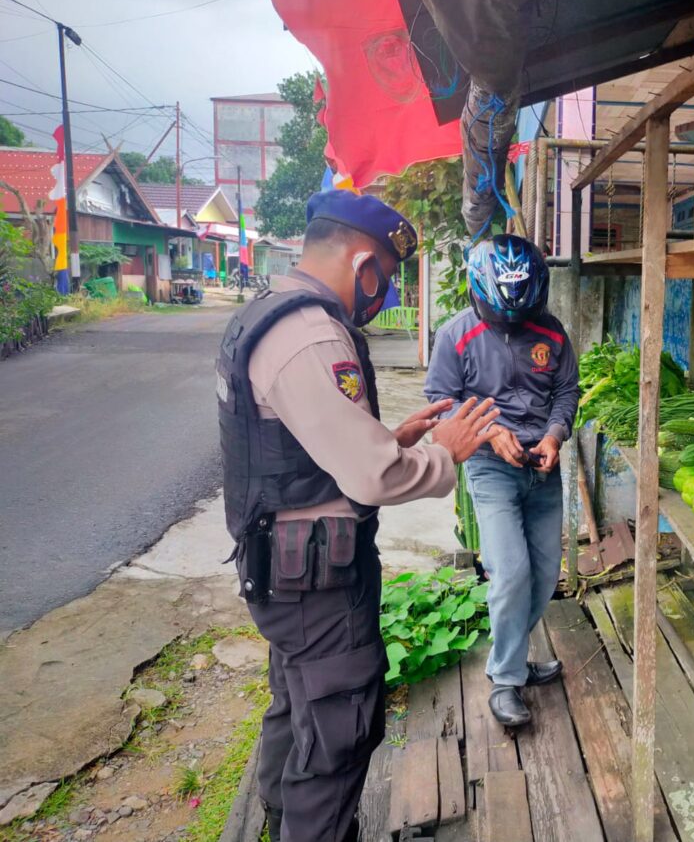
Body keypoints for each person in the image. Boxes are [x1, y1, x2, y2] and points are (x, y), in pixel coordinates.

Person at [216, 189, 500, 842]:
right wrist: (442, 453)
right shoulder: (311, 333)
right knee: (337, 734)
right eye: (388, 278)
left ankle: (281, 819)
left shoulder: (265, 312)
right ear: (364, 264)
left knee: (297, 706)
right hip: (316, 581)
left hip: (281, 567)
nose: (385, 294)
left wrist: (391, 438)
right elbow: (372, 478)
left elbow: (294, 449)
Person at [424, 235, 580, 728]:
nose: (513, 324)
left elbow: (566, 391)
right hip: (490, 470)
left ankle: (511, 659)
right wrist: (490, 434)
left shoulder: (552, 333)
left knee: (544, 575)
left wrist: (554, 435)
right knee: (510, 572)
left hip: (543, 467)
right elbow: (440, 403)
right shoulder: (455, 336)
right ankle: (506, 679)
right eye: (500, 314)